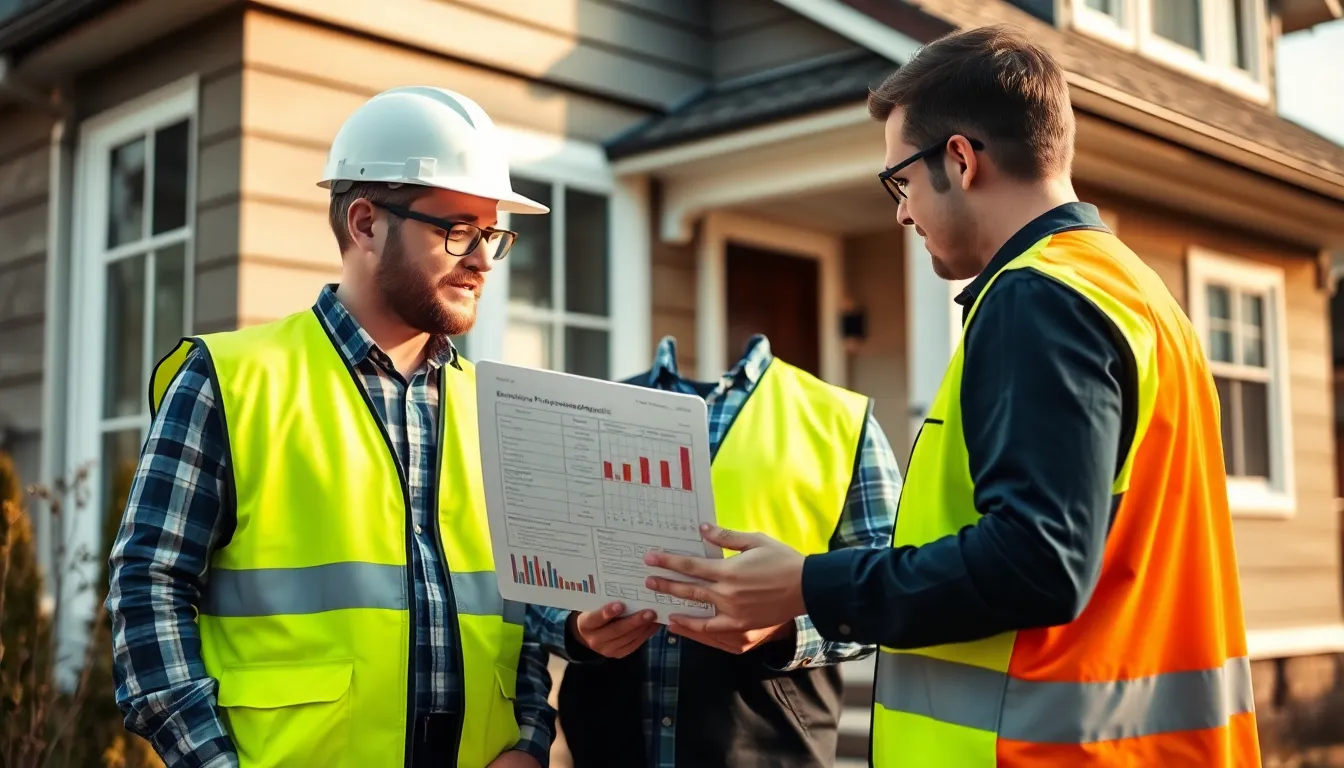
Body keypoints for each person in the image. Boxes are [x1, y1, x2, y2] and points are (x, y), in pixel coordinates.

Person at [641, 24, 1262, 767]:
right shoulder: (1136, 293)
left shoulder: (1037, 298)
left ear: (961, 160)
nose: (901, 211)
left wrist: (807, 582)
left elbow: (1038, 562)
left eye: (901, 181)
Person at [106, 86, 556, 768]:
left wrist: (527, 742)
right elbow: (148, 591)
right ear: (366, 223)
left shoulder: (493, 409)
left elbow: (518, 613)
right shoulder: (230, 380)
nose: (484, 260)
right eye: (458, 230)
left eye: (493, 234)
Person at [530, 335, 902, 767]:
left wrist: (787, 627)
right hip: (605, 742)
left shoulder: (840, 420)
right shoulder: (588, 416)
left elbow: (885, 587)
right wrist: (574, 629)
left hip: (770, 746)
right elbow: (536, 574)